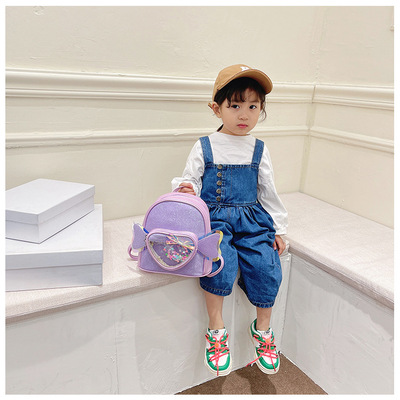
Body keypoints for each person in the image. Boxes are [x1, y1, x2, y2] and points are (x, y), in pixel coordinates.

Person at [171, 64, 288, 377]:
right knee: (219, 260)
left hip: (251, 220)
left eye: (253, 106)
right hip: (215, 220)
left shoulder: (259, 149)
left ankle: (263, 329)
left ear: (261, 109)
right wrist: (187, 189)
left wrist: (278, 229)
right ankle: (216, 327)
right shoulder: (205, 145)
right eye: (235, 106)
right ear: (216, 108)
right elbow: (191, 179)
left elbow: (268, 191)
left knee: (266, 264)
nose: (244, 115)